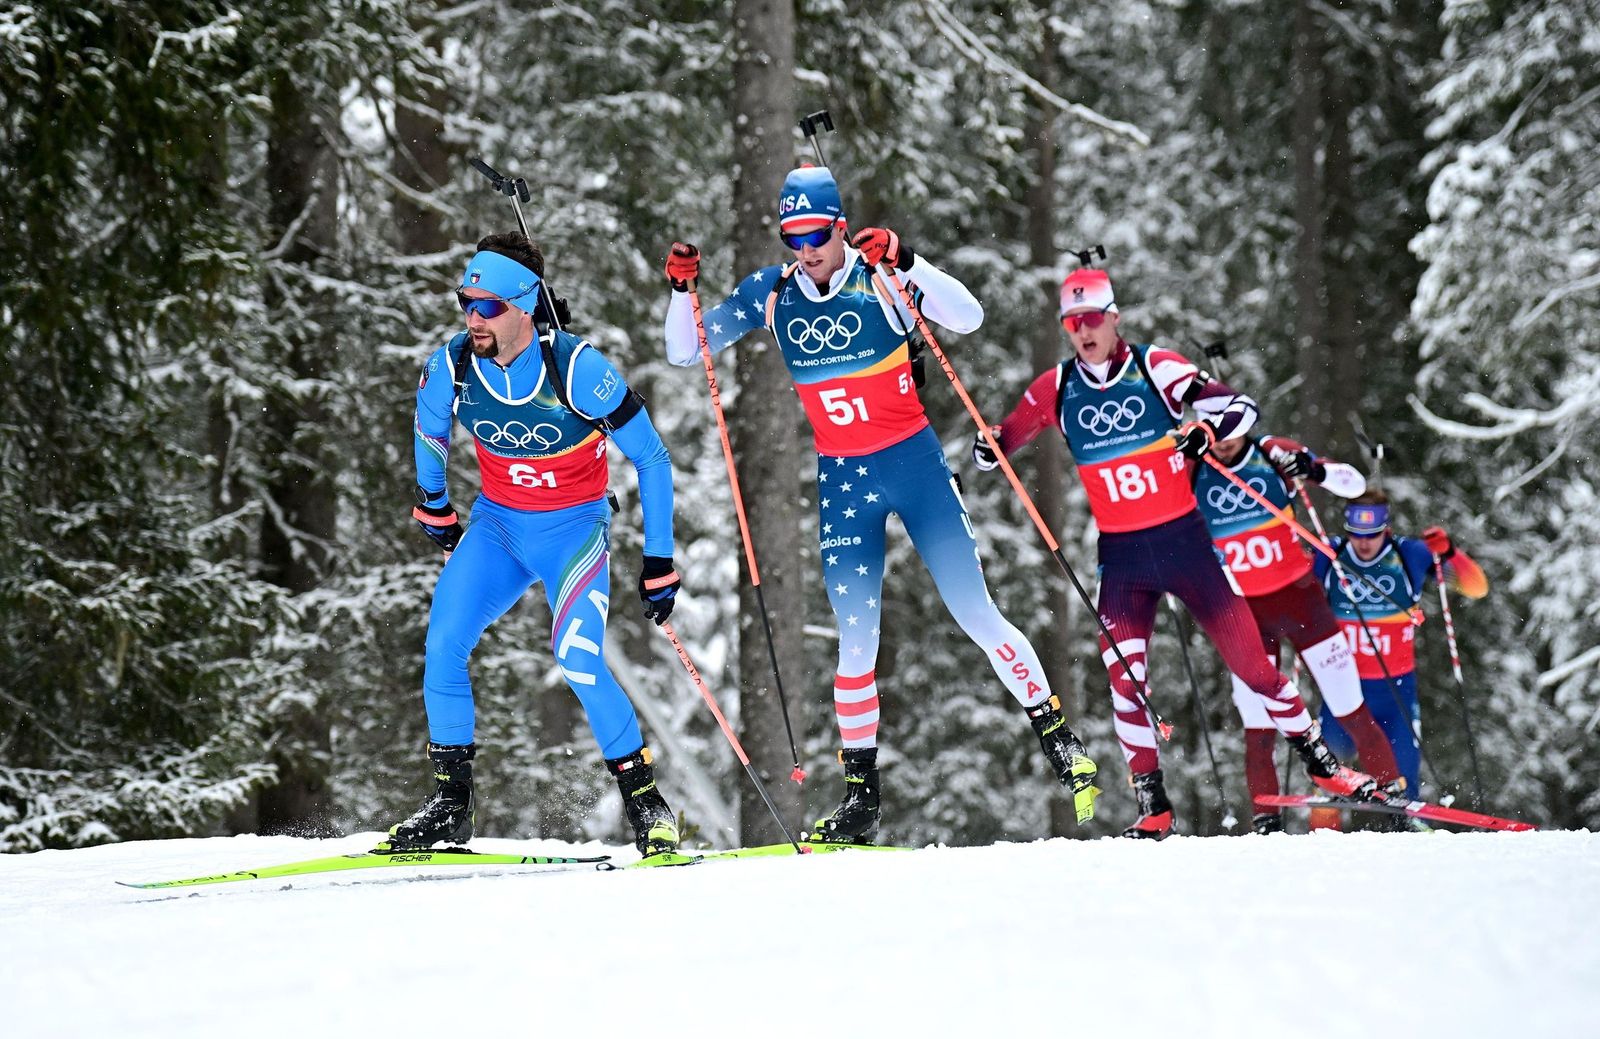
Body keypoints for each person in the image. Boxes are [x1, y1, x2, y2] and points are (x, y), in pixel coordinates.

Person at [659, 165, 1098, 844]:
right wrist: (681, 291)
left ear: (839, 225)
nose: (804, 247)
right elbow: (686, 349)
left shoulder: (880, 277)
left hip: (915, 466)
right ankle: (862, 797)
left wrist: (909, 258)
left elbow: (968, 316)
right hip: (844, 480)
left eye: (815, 232)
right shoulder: (773, 295)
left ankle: (1062, 741)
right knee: (856, 640)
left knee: (974, 610)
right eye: (790, 234)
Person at [973, 265, 1378, 838]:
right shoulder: (1057, 388)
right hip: (1125, 560)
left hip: (1186, 548)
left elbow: (1240, 409)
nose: (1084, 331)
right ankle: (1153, 805)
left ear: (1114, 318)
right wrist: (990, 448)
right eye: (1072, 322)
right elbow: (1006, 437)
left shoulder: (1155, 368)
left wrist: (1205, 432)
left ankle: (1324, 766)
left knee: (1255, 671)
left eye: (1093, 319)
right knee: (1126, 679)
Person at [390, 231, 683, 857]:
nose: (474, 317)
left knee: (577, 659)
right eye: (466, 302)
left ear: (525, 304)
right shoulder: (452, 365)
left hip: (573, 532)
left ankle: (647, 806)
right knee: (442, 643)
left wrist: (658, 560)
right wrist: (433, 499)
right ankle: (451, 805)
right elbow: (429, 428)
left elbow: (652, 459)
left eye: (488, 305)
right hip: (499, 528)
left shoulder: (576, 369)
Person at [1194, 434, 1404, 834]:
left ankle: (1394, 809)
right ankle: (1266, 825)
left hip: (1301, 604)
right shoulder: (1195, 462)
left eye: (1231, 429)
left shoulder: (1270, 451)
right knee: (1258, 730)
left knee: (1351, 710)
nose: (1223, 441)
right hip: (1245, 616)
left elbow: (1354, 485)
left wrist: (1313, 469)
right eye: (1213, 430)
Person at [1310, 489, 1489, 828]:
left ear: (1386, 529)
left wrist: (1449, 552)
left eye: (1373, 535)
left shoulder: (1410, 555)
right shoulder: (1329, 553)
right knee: (1327, 786)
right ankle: (1322, 855)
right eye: (1356, 535)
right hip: (1342, 694)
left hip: (1396, 696)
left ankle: (1404, 843)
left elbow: (1477, 587)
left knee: (1403, 793)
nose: (1364, 544)